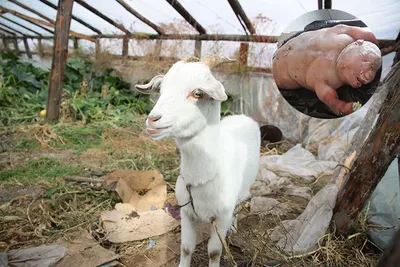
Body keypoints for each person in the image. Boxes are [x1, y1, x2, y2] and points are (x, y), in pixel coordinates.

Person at [272, 24, 382, 116]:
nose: (367, 73)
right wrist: (374, 42)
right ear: (357, 43)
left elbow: (330, 100)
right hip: (285, 46)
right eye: (365, 59)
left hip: (277, 73)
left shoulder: (332, 80)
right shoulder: (345, 35)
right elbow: (363, 32)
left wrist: (343, 107)